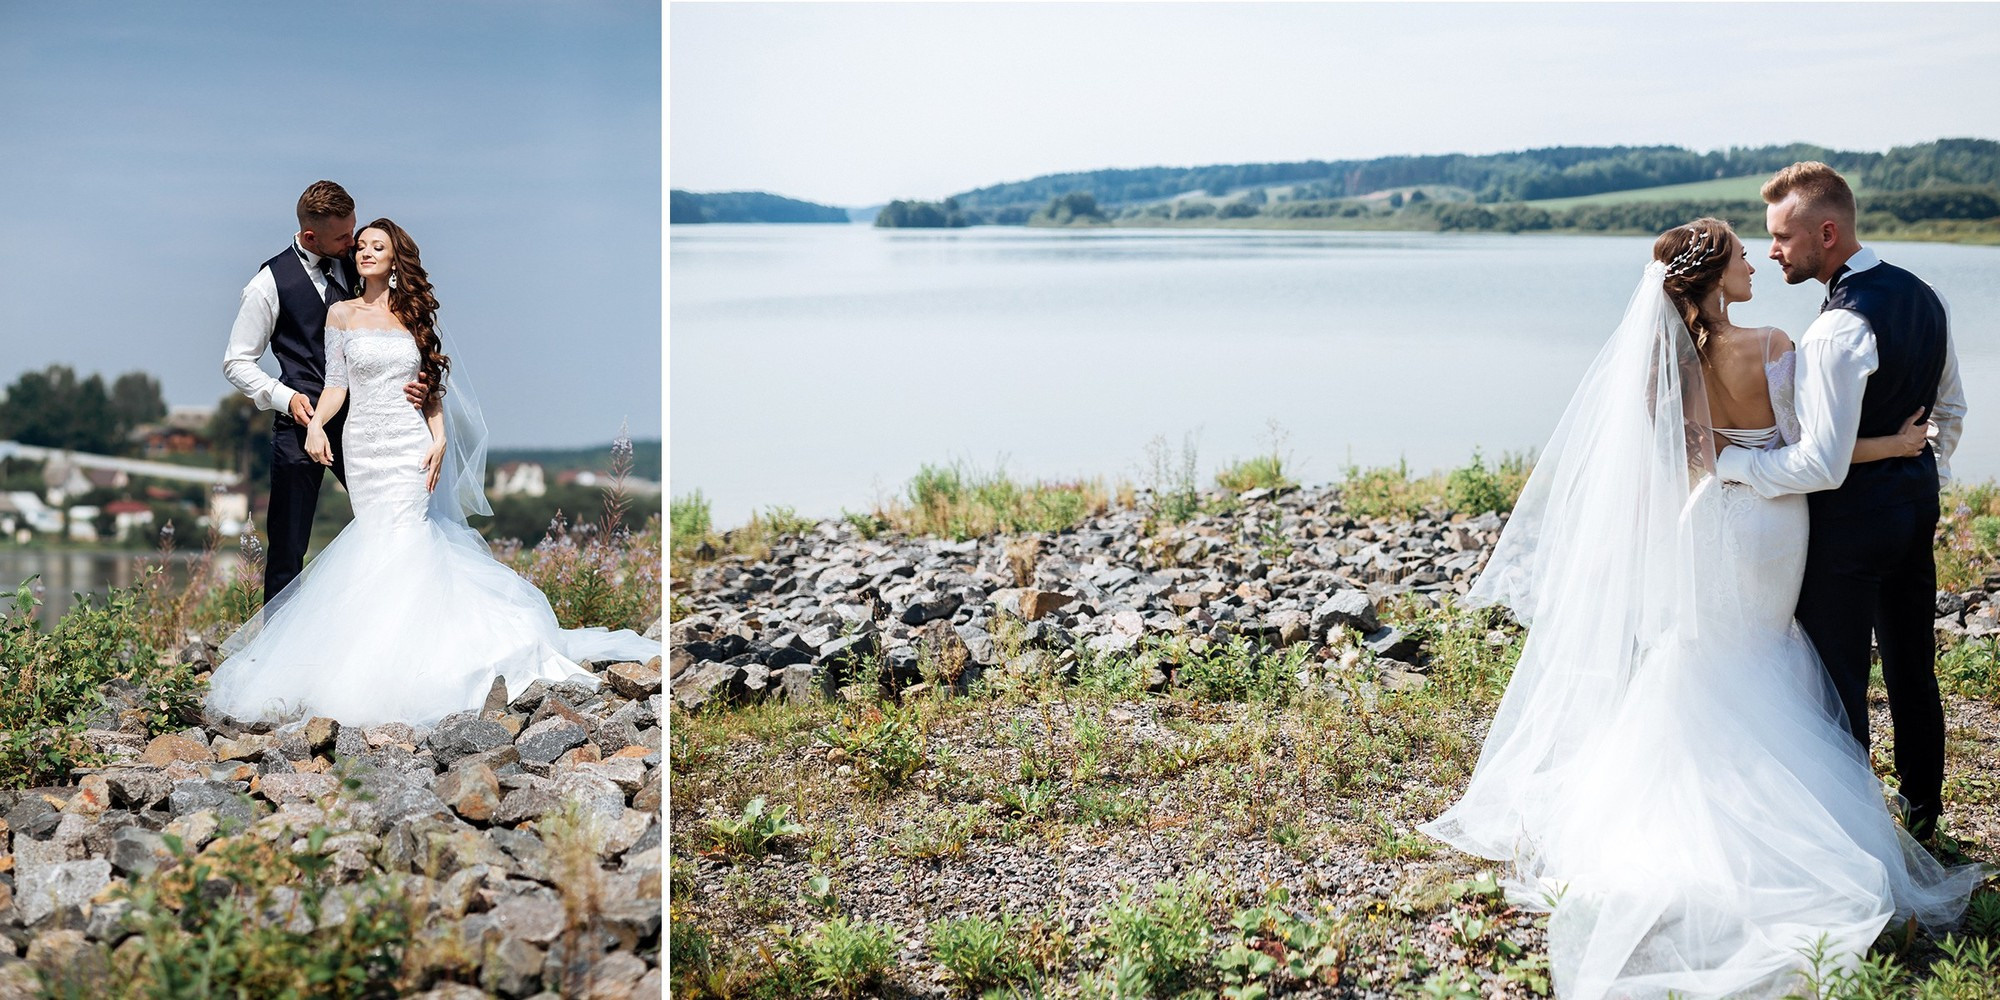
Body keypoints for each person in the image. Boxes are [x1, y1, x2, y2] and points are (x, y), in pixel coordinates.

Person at [1419, 214, 1981, 998]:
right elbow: (1811, 452)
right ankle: (1779, 823)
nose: (1757, 261)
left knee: (1703, 652)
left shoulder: (1668, 361)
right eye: (1745, 256)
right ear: (1718, 278)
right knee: (1766, 647)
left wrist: (1718, 482)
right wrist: (1891, 447)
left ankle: (1682, 815)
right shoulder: (1775, 345)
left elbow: (1701, 457)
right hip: (1770, 523)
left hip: (1704, 519)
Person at [207, 219, 659, 728]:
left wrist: (439, 435)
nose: (364, 253)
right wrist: (313, 426)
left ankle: (417, 664)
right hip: (363, 443)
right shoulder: (340, 314)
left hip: (409, 443)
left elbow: (432, 384)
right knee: (377, 539)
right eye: (359, 247)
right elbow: (335, 385)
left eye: (377, 246)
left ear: (397, 259)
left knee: (408, 536)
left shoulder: (412, 313)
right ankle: (370, 654)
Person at [1717, 162, 1966, 845]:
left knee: (1837, 684)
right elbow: (1952, 409)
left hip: (1849, 531)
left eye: (1781, 238)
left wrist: (1734, 463)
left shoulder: (1835, 331)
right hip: (1914, 514)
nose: (1772, 251)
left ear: (1826, 233)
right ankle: (1922, 817)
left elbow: (1820, 466)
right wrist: (1918, 471)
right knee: (1915, 667)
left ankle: (1852, 839)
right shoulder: (1927, 295)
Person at [222, 181, 427, 601]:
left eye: (353, 233)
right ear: (311, 235)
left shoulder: (358, 264)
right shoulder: (267, 285)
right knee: (288, 543)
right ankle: (277, 652)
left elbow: (400, 332)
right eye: (344, 237)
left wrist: (419, 384)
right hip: (300, 426)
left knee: (397, 523)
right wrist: (286, 397)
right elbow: (236, 362)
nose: (354, 244)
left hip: (370, 425)